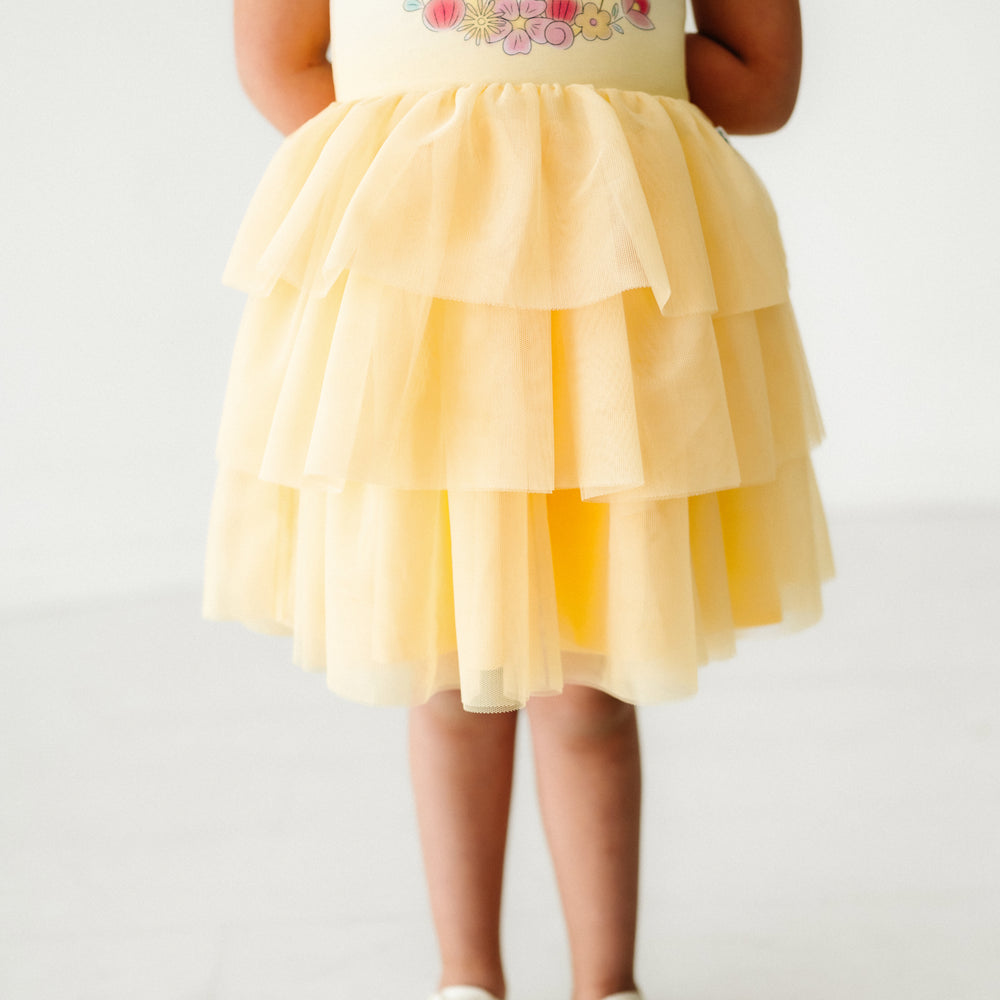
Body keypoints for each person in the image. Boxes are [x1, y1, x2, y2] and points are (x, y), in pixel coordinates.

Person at [202, 2, 834, 999]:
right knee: (449, 665)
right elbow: (278, 65)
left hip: (609, 294)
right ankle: (468, 979)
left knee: (590, 679)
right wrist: (445, 116)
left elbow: (761, 80)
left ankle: (605, 982)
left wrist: (572, 55)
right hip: (425, 295)